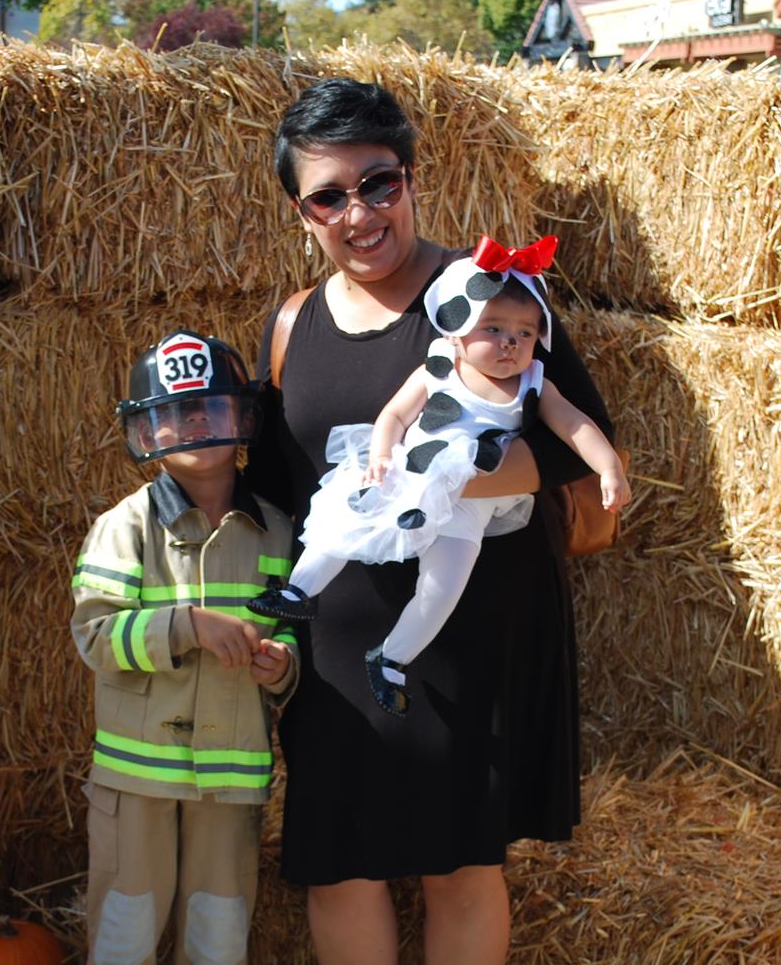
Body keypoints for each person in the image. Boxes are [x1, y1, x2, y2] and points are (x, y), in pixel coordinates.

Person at [244, 79, 615, 965]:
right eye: (328, 197)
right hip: (339, 635)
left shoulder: (484, 294)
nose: (359, 212)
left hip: (471, 623)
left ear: (412, 178)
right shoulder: (288, 329)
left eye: (378, 183)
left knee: (460, 860)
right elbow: (278, 483)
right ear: (299, 211)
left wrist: (446, 471)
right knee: (338, 864)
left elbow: (569, 447)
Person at [69, 330, 300, 965]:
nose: (194, 432)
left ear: (242, 422)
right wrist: (187, 626)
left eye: (210, 412)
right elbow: (95, 637)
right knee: (126, 925)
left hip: (232, 774)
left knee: (217, 923)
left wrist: (279, 664)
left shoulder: (275, 531)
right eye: (173, 418)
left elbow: (296, 642)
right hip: (137, 777)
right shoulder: (123, 529)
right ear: (146, 433)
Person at [250, 235, 628, 716]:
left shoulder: (535, 384)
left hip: (469, 501)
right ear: (455, 329)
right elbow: (392, 416)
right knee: (344, 522)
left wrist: (608, 467)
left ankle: (391, 657)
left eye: (525, 333)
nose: (510, 343)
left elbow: (577, 426)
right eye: (493, 328)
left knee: (443, 586)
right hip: (409, 473)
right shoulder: (438, 368)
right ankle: (298, 590)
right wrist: (381, 457)